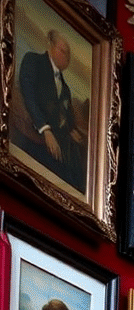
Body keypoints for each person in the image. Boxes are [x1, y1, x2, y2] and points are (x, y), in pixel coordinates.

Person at [18, 29, 86, 192]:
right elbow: (29, 97)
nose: (66, 58)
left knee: (77, 180)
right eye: (63, 51)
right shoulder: (33, 61)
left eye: (68, 55)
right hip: (39, 139)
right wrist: (46, 130)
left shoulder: (66, 89)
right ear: (51, 47)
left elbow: (67, 115)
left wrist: (71, 130)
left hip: (63, 144)